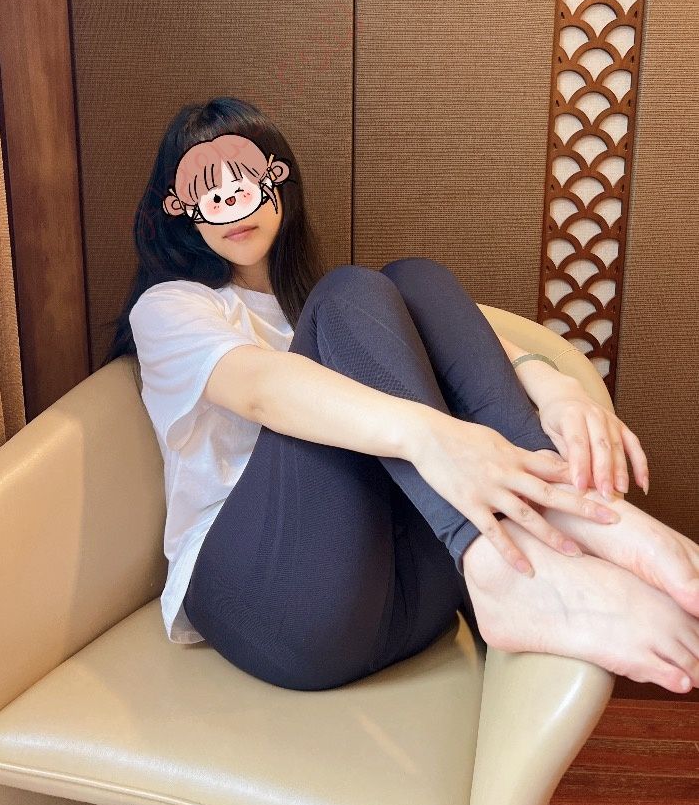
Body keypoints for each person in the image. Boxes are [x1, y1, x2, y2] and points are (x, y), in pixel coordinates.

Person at [102, 96, 699, 694]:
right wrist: (433, 435)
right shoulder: (171, 307)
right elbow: (261, 389)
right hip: (272, 603)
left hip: (408, 597)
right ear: (180, 210)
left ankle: (571, 512)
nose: (231, 204)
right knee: (350, 293)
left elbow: (474, 342)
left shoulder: (325, 308)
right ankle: (498, 563)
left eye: (244, 180)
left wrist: (558, 388)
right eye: (207, 192)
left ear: (277, 181)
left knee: (413, 279)